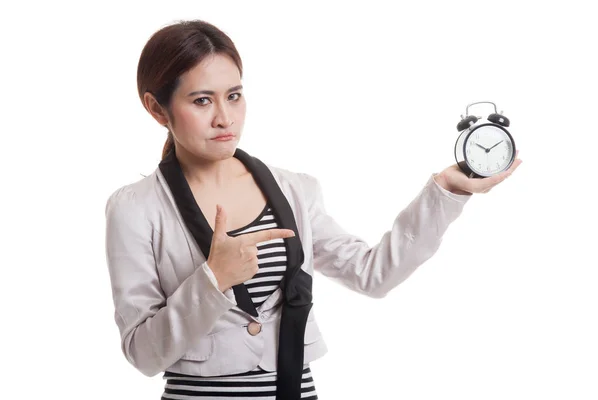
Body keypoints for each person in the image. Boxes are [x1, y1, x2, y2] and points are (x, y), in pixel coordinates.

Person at [104, 19, 522, 400]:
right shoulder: (135, 208)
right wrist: (214, 280)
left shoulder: (294, 190)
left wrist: (444, 192)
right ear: (157, 108)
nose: (224, 117)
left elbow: (372, 275)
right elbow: (142, 354)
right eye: (201, 101)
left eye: (234, 96)